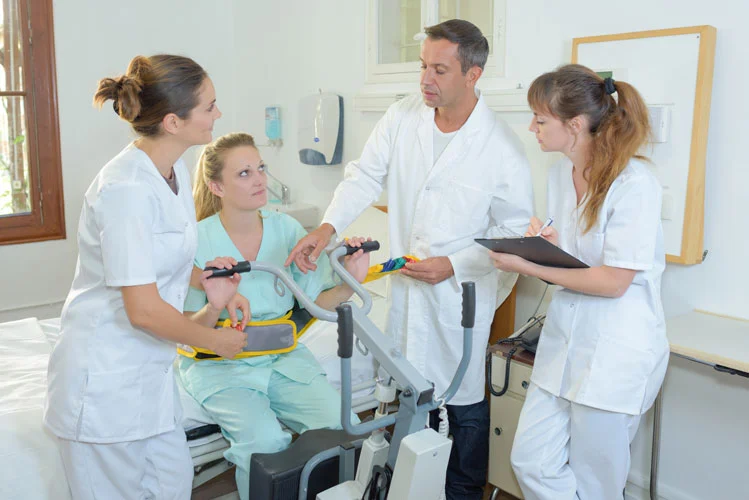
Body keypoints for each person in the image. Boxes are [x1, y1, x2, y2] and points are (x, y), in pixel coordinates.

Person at [286, 20, 534, 499]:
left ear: (473, 74)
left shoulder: (501, 147)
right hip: (405, 292)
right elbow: (362, 177)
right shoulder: (402, 117)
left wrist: (454, 264)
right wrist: (327, 226)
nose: (426, 79)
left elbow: (512, 230)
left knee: (462, 403)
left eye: (440, 69)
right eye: (423, 66)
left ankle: (462, 493)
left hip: (456, 295)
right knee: (403, 396)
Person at [44, 54, 248, 500]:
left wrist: (206, 282)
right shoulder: (126, 190)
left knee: (172, 486)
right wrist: (215, 341)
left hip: (149, 379)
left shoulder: (171, 174)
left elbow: (155, 257)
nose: (218, 114)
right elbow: (142, 309)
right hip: (104, 384)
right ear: (174, 122)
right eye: (210, 106)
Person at [488, 64, 669, 499]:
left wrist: (528, 266)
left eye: (540, 119)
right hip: (565, 344)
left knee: (595, 483)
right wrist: (544, 242)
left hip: (614, 353)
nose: (532, 126)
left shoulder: (634, 184)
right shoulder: (558, 175)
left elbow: (613, 281)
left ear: (574, 125)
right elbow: (577, 258)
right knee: (529, 461)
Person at [180, 132, 370, 499]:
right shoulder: (196, 241)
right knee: (264, 441)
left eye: (261, 168)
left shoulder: (286, 230)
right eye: (245, 173)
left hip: (284, 358)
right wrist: (215, 305)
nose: (260, 179)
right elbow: (186, 329)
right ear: (215, 186)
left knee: (343, 426)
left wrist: (351, 282)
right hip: (220, 364)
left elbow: (315, 301)